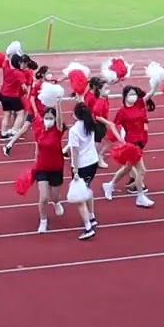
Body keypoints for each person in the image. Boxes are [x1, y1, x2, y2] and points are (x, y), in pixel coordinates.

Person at [103, 85, 154, 207]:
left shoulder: (139, 105)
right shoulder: (122, 111)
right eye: (130, 94)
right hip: (132, 144)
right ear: (125, 96)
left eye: (135, 94)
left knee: (127, 168)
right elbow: (113, 125)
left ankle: (110, 185)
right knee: (141, 170)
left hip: (140, 142)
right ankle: (140, 197)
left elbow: (151, 93)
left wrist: (156, 80)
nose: (133, 96)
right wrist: (120, 139)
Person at [66, 101, 102, 240]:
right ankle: (92, 217)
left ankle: (88, 227)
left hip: (82, 164)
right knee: (87, 188)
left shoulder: (74, 130)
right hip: (93, 161)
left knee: (80, 197)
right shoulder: (90, 124)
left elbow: (74, 151)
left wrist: (74, 169)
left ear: (75, 115)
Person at [30, 106, 67, 234]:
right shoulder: (39, 131)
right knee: (44, 197)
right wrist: (35, 159)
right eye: (46, 118)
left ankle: (56, 202)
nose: (48, 120)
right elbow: (37, 146)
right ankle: (43, 221)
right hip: (42, 168)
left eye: (51, 118)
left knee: (54, 196)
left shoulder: (58, 130)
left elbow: (60, 119)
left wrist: (58, 103)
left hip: (56, 167)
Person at [0, 54, 26, 138]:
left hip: (3, 95)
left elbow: (6, 60)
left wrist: (9, 53)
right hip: (12, 96)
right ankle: (14, 131)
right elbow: (24, 87)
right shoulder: (19, 73)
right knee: (21, 113)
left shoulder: (6, 69)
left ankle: (3, 133)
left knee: (7, 114)